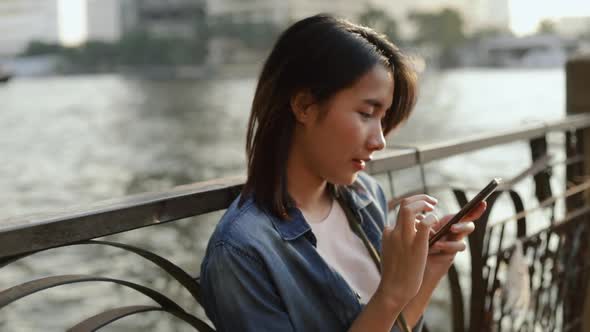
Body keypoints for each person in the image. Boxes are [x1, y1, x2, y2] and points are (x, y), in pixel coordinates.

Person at [200, 14, 486, 332]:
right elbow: (388, 306)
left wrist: (427, 271)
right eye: (366, 114)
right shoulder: (243, 251)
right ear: (304, 105)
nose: (379, 140)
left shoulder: (365, 195)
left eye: (383, 118)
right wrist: (392, 292)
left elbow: (395, 325)